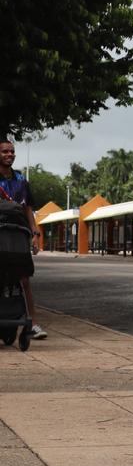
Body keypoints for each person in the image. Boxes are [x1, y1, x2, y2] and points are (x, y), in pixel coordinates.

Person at [0, 138, 46, 339]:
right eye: (4, 152)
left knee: (24, 279)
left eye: (12, 151)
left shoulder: (21, 181)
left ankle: (33, 323)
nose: (9, 155)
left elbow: (28, 209)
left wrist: (35, 234)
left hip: (18, 234)